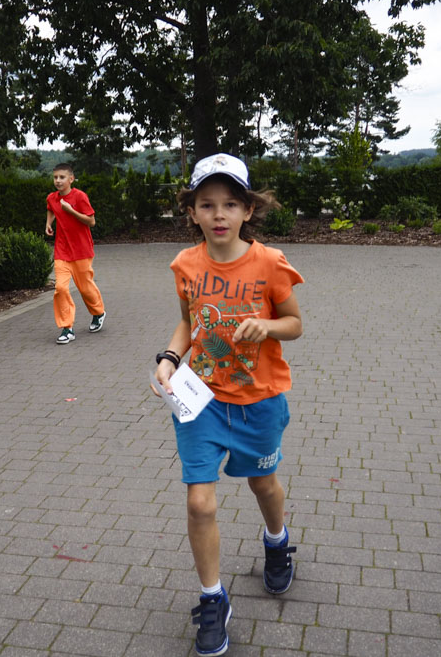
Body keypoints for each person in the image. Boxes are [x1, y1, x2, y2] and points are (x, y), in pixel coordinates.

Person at [152, 153, 304, 656]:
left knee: (263, 483)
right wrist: (169, 360)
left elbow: (295, 324)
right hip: (203, 402)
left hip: (259, 401)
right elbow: (188, 322)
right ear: (192, 211)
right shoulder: (185, 264)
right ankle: (213, 599)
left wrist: (268, 326)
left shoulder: (270, 262)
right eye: (207, 204)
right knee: (199, 501)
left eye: (230, 204)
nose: (219, 214)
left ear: (248, 210)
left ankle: (277, 541)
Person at [45, 162, 106, 344]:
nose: (58, 180)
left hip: (81, 250)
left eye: (62, 177)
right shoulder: (52, 198)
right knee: (61, 288)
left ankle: (98, 312)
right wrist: (48, 223)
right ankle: (67, 328)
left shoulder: (80, 197)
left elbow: (91, 221)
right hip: (62, 251)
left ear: (71, 179)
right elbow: (51, 209)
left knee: (85, 288)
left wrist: (71, 211)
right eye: (55, 177)